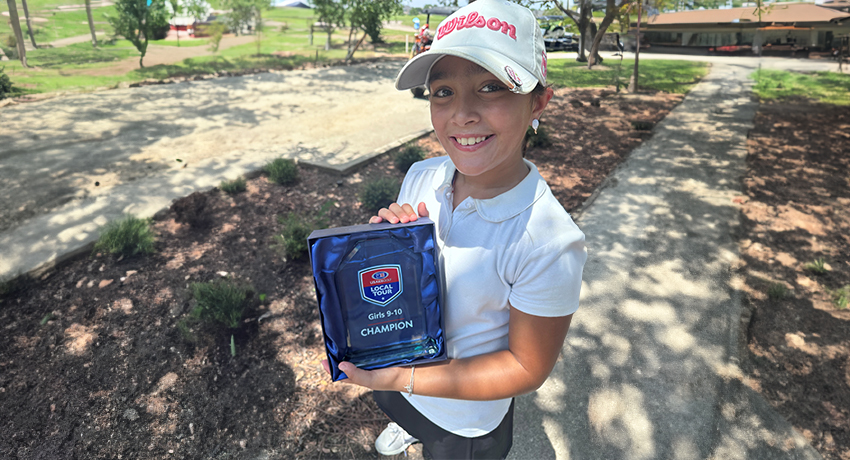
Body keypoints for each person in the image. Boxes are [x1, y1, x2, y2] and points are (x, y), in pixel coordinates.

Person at [324, 1, 587, 458]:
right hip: (399, 375)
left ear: (538, 101)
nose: (461, 114)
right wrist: (387, 247)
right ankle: (410, 425)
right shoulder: (422, 175)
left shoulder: (549, 241)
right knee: (400, 407)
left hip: (464, 419)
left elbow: (526, 367)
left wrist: (405, 378)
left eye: (490, 87)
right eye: (442, 91)